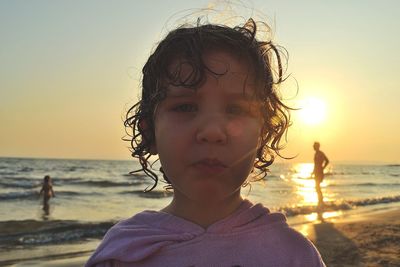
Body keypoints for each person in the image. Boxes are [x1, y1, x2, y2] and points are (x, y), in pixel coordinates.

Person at [86, 18, 325, 266]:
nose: (212, 131)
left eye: (235, 109)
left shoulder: (292, 255)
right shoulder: (123, 254)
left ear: (262, 135)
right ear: (150, 132)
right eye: (185, 106)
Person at [311, 142, 329, 209]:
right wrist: (313, 172)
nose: (313, 147)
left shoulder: (320, 153)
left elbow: (327, 161)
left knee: (317, 187)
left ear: (317, 146)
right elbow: (315, 164)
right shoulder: (316, 153)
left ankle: (321, 202)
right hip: (316, 172)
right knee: (317, 187)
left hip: (319, 172)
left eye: (314, 146)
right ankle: (320, 201)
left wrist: (322, 168)